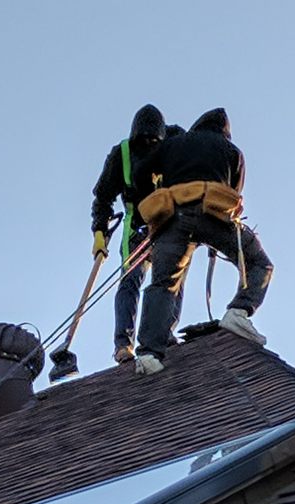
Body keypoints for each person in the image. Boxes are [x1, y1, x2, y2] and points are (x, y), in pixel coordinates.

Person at [132, 108, 273, 375]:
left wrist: (149, 201)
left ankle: (149, 354)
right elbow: (234, 193)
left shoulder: (172, 144)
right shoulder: (231, 151)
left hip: (172, 219)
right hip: (212, 217)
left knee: (164, 283)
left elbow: (141, 173)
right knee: (259, 263)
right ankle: (239, 311)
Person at [91, 105, 182, 362]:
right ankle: (123, 344)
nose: (149, 146)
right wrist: (99, 230)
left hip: (169, 220)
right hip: (137, 224)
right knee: (131, 279)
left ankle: (164, 331)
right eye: (143, 142)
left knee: (172, 277)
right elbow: (103, 197)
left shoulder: (177, 142)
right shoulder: (122, 155)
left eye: (154, 142)